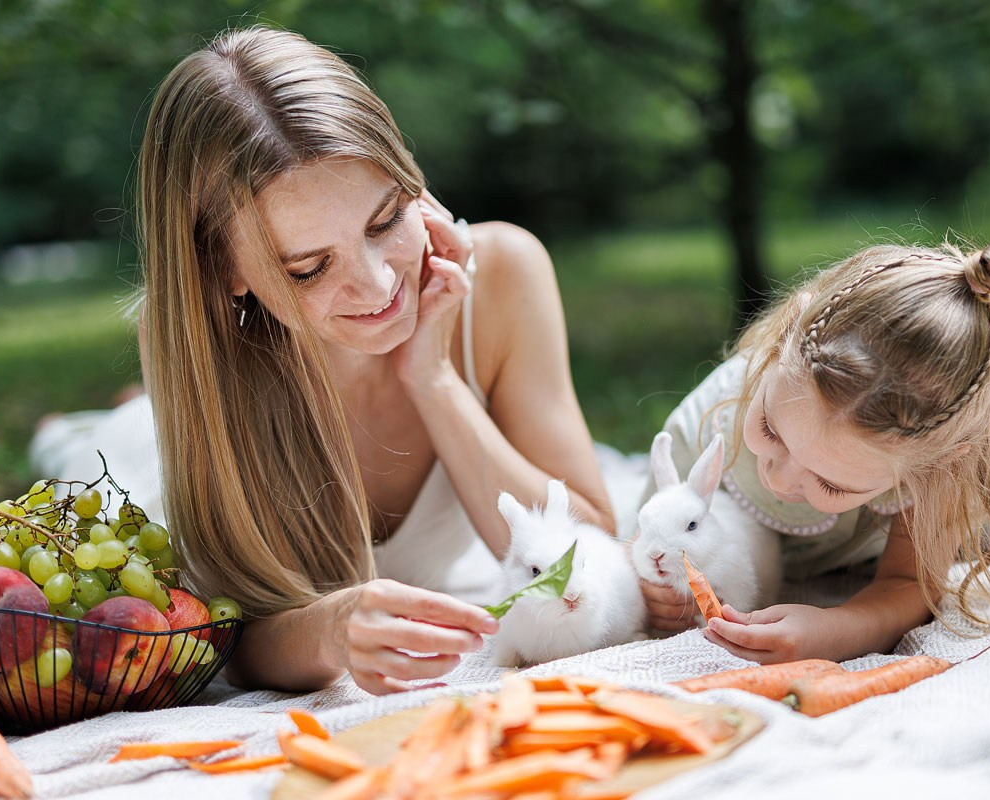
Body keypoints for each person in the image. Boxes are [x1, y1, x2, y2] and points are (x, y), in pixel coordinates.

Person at [105, 25, 615, 694]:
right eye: (311, 267)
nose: (379, 289)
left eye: (385, 221)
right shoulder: (196, 346)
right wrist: (332, 627)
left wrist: (434, 380)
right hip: (143, 452)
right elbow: (233, 630)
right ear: (224, 270)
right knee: (102, 447)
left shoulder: (502, 273)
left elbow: (592, 550)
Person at [639, 241, 990, 664]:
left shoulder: (934, 468)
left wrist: (839, 630)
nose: (782, 479)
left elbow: (908, 582)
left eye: (831, 483)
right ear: (780, 347)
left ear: (936, 468)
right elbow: (641, 542)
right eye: (771, 429)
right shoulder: (703, 426)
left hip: (949, 478)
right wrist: (654, 592)